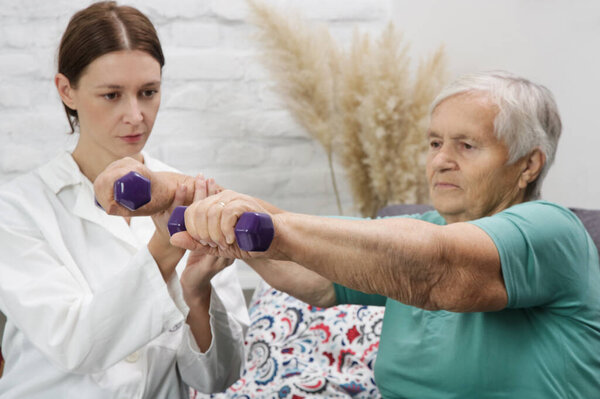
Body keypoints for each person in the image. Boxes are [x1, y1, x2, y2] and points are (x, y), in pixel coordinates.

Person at [95, 71, 600, 398]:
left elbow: (440, 272)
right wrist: (180, 193)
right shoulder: (421, 230)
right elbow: (311, 273)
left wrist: (267, 226)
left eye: (466, 145)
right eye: (434, 142)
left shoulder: (552, 231)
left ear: (528, 165)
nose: (441, 159)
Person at [0, 2, 249, 398]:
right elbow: (77, 344)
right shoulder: (15, 211)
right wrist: (166, 250)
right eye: (112, 95)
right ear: (67, 91)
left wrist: (198, 295)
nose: (136, 115)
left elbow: (219, 377)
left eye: (148, 92)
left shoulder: (192, 196)